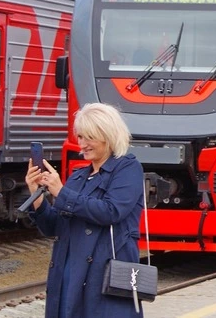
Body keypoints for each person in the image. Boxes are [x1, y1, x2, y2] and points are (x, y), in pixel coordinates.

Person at [25, 103, 144, 317]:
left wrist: (61, 192)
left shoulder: (127, 168)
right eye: (80, 137)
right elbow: (53, 227)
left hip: (104, 275)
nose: (82, 144)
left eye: (89, 137)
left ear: (108, 136)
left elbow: (111, 211)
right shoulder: (79, 176)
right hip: (69, 272)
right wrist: (37, 195)